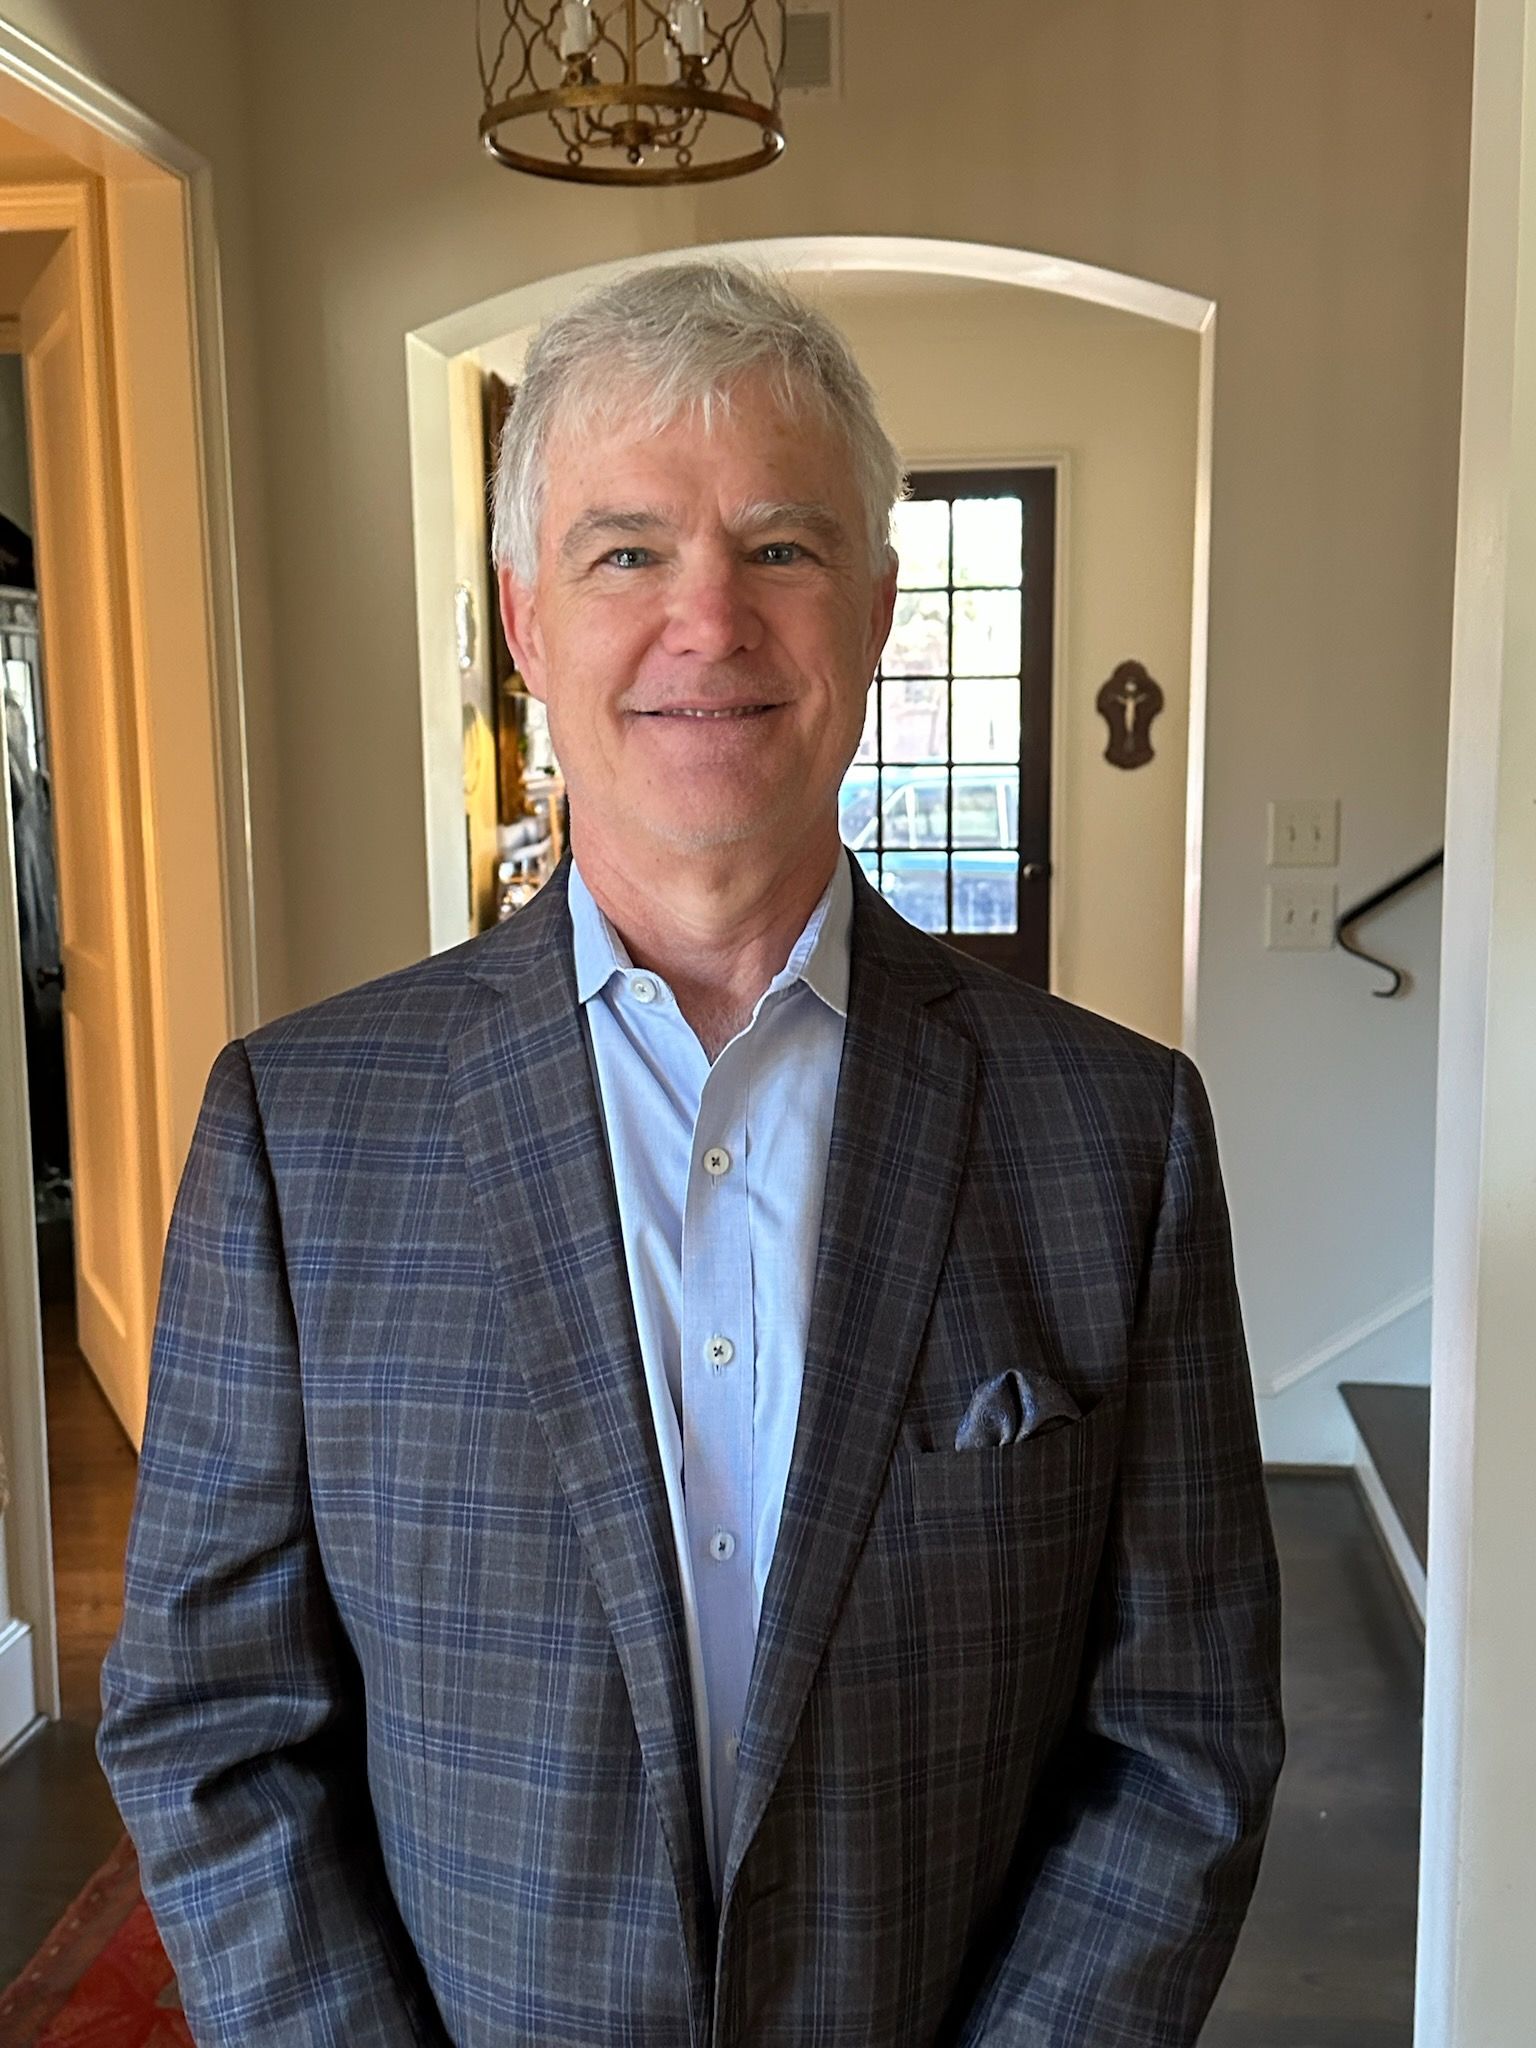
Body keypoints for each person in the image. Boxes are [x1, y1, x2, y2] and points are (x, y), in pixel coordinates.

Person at [98, 259, 1285, 2047]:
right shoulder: (301, 1132)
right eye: (628, 551)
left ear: (876, 611)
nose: (709, 621)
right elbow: (211, 1723)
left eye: (783, 548)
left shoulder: (1113, 1135)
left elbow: (1183, 1742)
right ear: (524, 619)